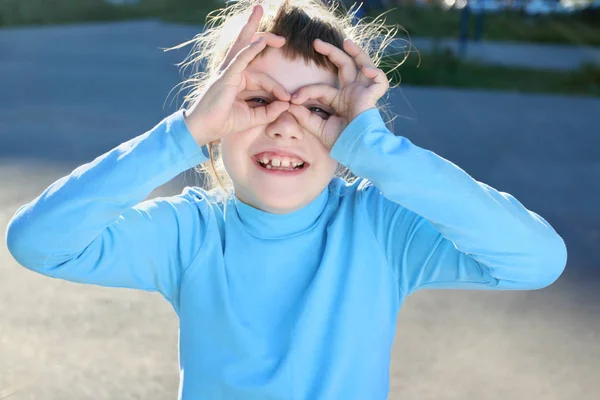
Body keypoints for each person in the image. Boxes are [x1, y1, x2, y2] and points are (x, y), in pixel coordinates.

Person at [5, 1, 567, 399]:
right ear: (214, 118)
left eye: (320, 109)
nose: (286, 125)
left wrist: (380, 151)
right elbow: (38, 242)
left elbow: (536, 258)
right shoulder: (191, 234)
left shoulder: (381, 229)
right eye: (256, 100)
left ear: (351, 134)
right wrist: (182, 134)